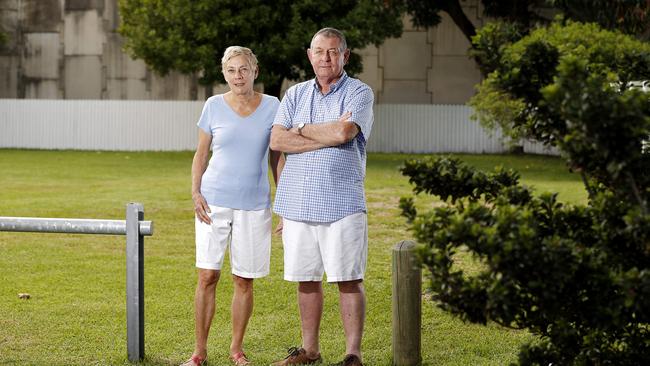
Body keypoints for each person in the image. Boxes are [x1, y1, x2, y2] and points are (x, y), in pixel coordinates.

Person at [269, 27, 374, 366]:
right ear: (309, 55)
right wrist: (321, 134)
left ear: (346, 55)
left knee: (348, 279)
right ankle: (309, 350)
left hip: (342, 203)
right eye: (319, 51)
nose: (325, 58)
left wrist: (298, 129)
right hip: (297, 204)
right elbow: (277, 141)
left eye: (332, 51)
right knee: (306, 279)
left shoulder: (359, 92)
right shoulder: (295, 94)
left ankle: (352, 353)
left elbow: (345, 131)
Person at [182, 46, 284, 366]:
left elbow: (277, 157)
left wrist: (284, 203)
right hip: (214, 202)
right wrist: (196, 193)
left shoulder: (273, 106)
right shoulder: (213, 106)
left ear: (255, 70)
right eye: (231, 70)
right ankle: (199, 352)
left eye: (243, 69)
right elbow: (201, 154)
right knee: (207, 276)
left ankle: (236, 349)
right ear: (223, 73)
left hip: (255, 205)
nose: (237, 76)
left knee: (243, 279)